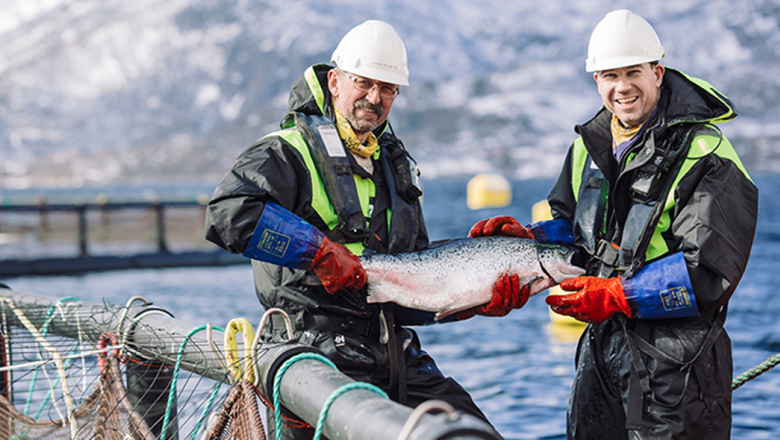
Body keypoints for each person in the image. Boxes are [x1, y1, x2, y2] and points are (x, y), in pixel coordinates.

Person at [205, 20, 525, 439]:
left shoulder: (397, 167)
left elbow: (411, 285)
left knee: (472, 434)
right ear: (335, 82)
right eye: (364, 83)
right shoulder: (287, 151)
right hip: (310, 359)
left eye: (388, 88)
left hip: (395, 355)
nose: (374, 98)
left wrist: (474, 299)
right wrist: (318, 251)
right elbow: (229, 215)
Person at [470, 9, 758, 440]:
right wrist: (528, 241)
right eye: (609, 75)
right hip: (601, 354)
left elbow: (710, 271)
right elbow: (575, 231)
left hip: (680, 370)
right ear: (596, 82)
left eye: (633, 72)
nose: (622, 87)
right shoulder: (588, 147)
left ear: (658, 73)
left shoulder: (707, 152)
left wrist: (619, 294)